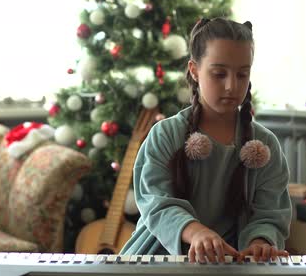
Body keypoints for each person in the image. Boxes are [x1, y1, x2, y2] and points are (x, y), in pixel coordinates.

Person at [120, 17, 292, 263]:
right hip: (159, 258)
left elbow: (270, 213)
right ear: (194, 70)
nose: (232, 86)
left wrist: (260, 242)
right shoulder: (165, 135)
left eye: (242, 74)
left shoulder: (265, 145)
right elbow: (156, 203)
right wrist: (196, 232)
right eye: (219, 74)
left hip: (232, 263)